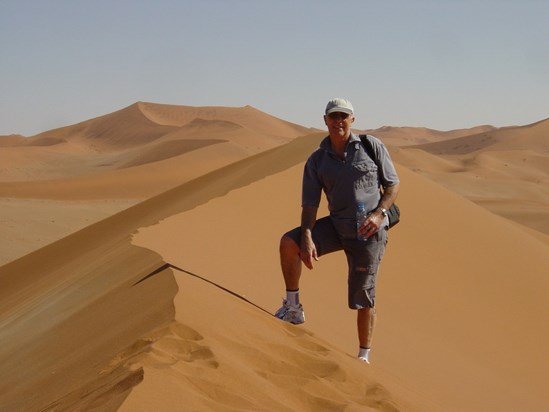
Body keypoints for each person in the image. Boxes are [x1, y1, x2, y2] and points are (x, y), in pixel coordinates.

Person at [274, 98, 400, 364]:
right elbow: (310, 204)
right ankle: (293, 308)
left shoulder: (371, 146)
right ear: (325, 120)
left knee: (363, 294)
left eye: (343, 116)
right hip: (337, 225)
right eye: (334, 117)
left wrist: (379, 215)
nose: (338, 122)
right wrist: (307, 236)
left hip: (369, 231)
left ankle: (363, 356)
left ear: (352, 119)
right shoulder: (317, 160)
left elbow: (392, 186)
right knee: (289, 243)